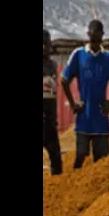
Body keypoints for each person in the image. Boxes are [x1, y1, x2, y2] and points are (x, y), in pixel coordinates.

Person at [60, 19, 109, 169]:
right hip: (84, 118)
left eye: (97, 35)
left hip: (101, 119)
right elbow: (64, 80)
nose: (94, 38)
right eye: (91, 35)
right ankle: (76, 189)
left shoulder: (108, 57)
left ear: (102, 36)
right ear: (88, 34)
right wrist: (73, 103)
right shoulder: (79, 54)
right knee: (80, 159)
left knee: (102, 164)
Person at [43, 29, 62, 176]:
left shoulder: (53, 65)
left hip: (50, 122)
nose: (44, 48)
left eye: (46, 44)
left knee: (56, 160)